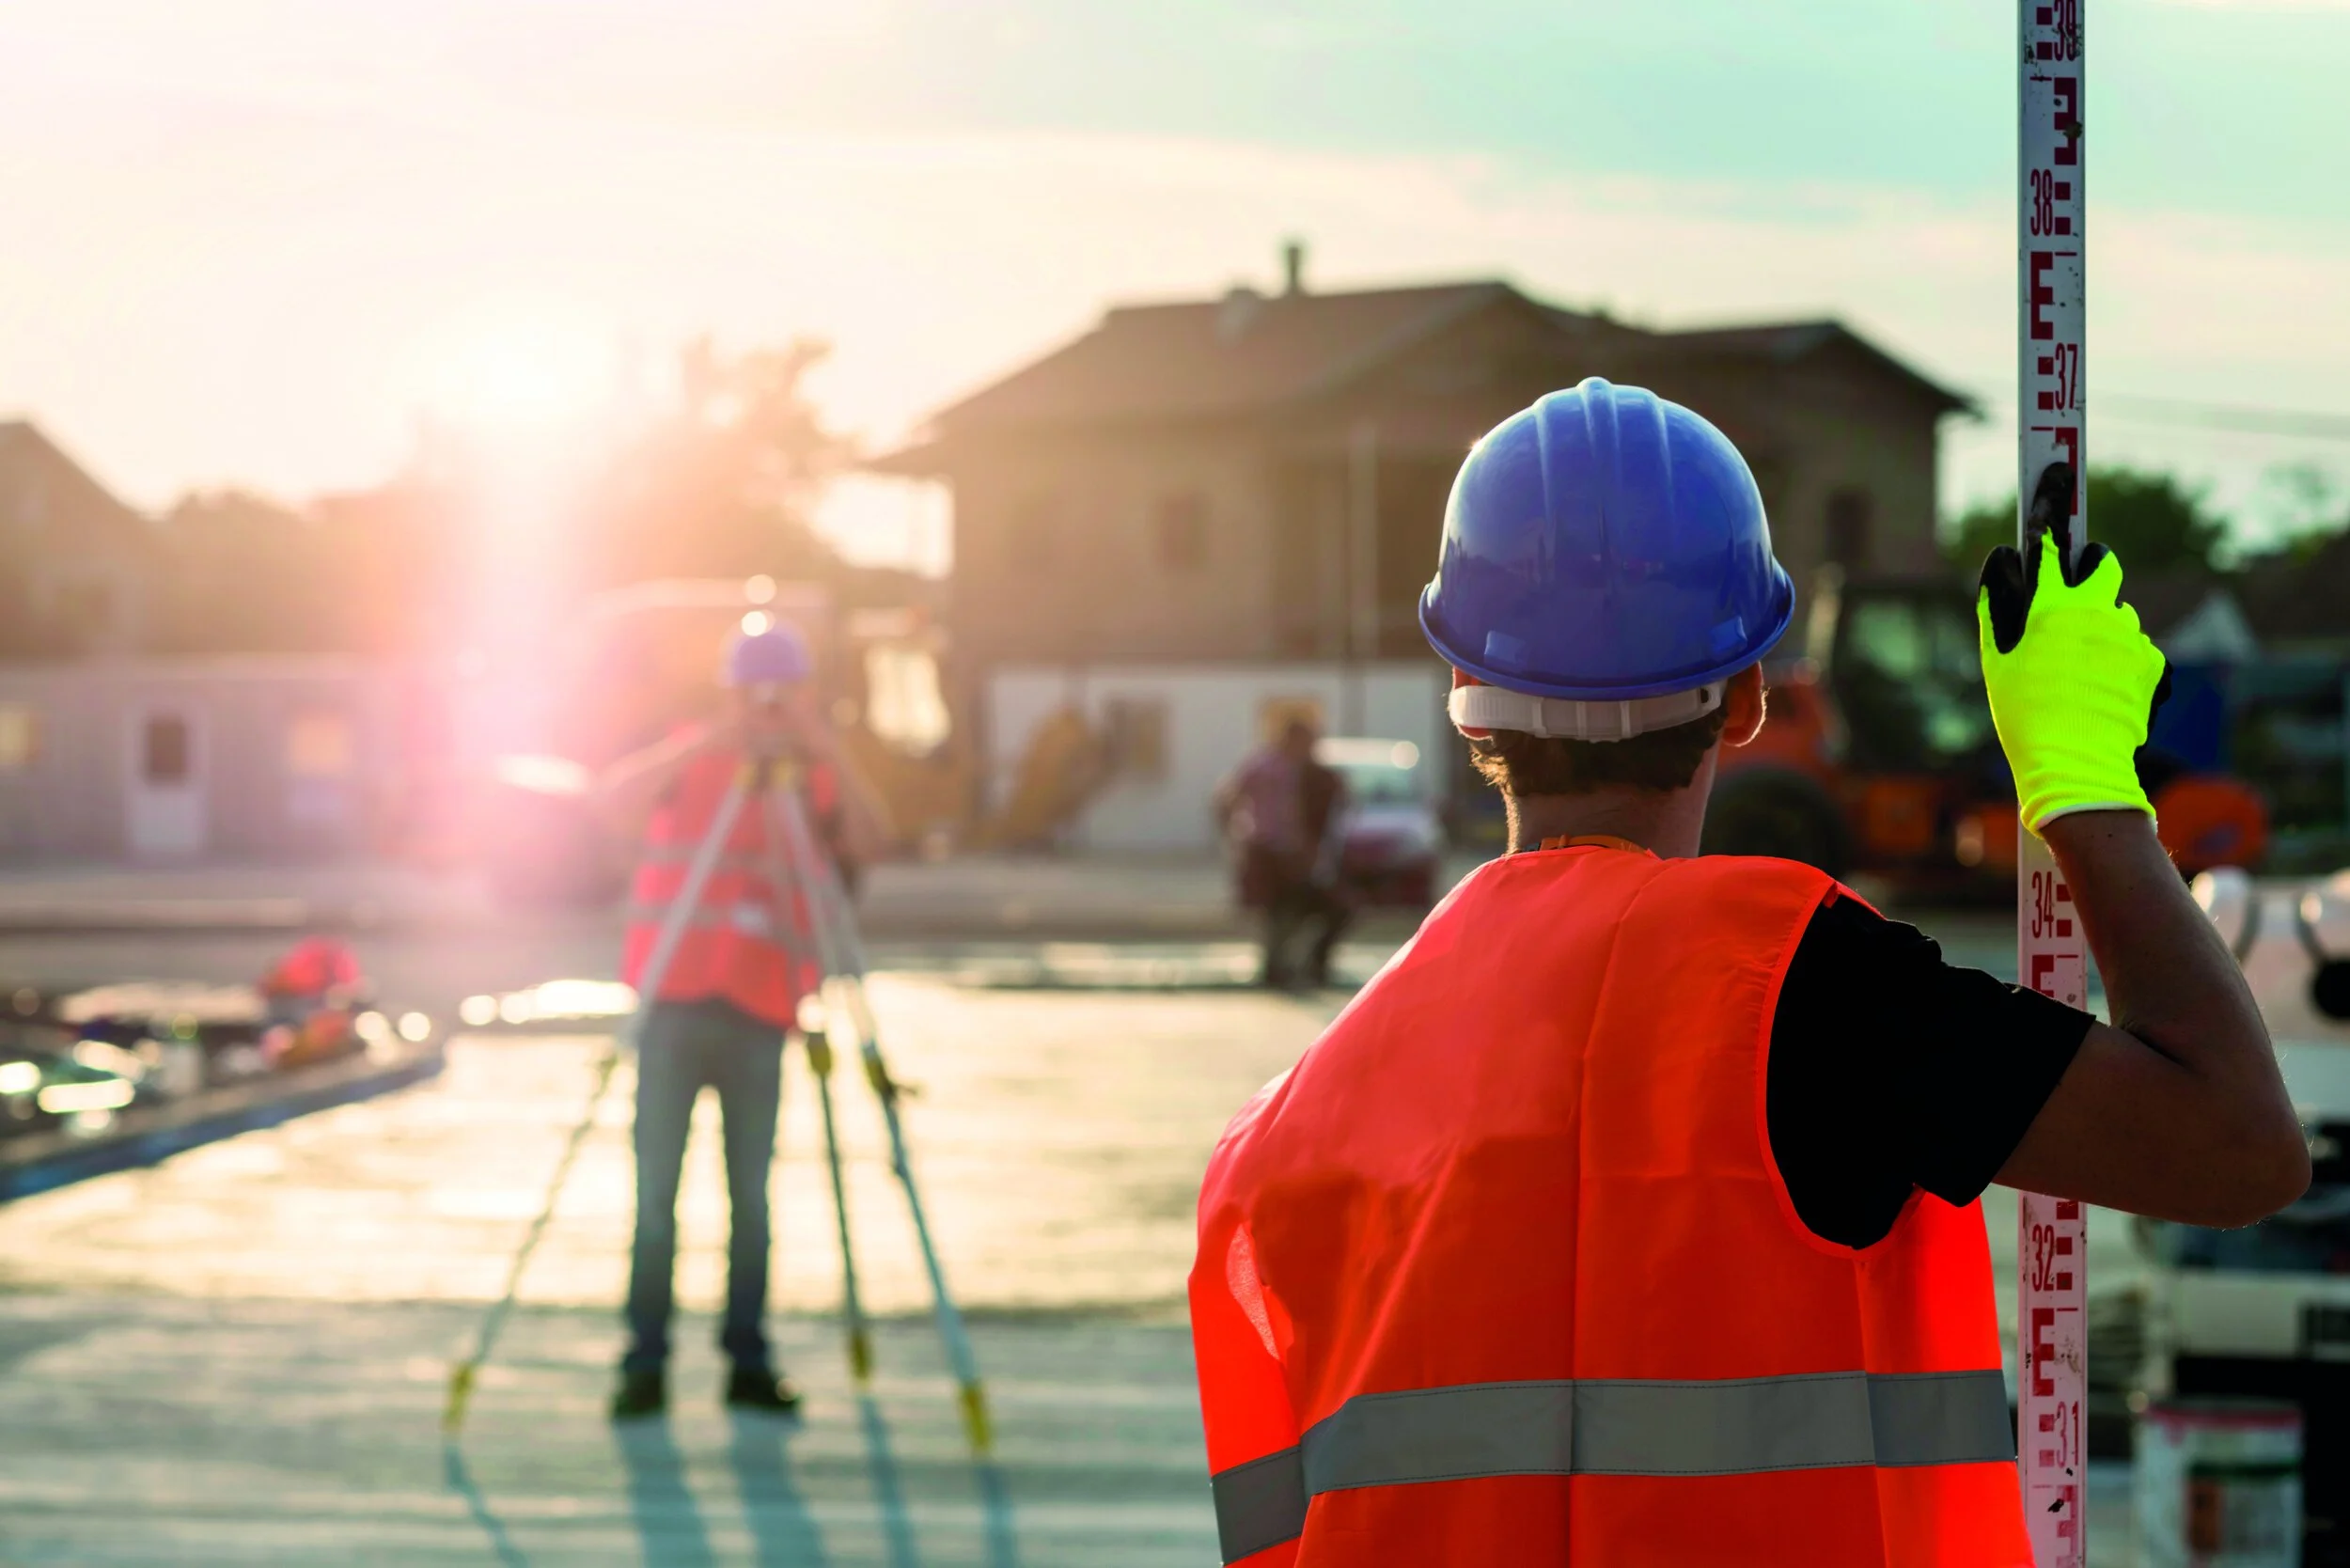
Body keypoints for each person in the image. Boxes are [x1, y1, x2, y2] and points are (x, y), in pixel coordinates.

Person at [1189, 379, 2309, 1565]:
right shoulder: (1802, 991)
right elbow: (2237, 1149)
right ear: (1746, 701)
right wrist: (2089, 788)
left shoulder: (1281, 1138)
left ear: (1466, 705)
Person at [597, 623, 889, 1420]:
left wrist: (824, 747)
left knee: (751, 1200)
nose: (765, 709)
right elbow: (611, 804)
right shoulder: (689, 759)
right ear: (726, 693)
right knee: (656, 1195)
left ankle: (747, 1358)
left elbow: (875, 839)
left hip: (760, 1009)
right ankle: (644, 1360)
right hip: (674, 1002)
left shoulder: (813, 780)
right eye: (753, 695)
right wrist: (715, 741)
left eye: (781, 694)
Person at [1215, 719, 1352, 989]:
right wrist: (1235, 836)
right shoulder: (1268, 766)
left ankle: (1289, 965)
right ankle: (1280, 967)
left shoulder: (1302, 771)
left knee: (1295, 909)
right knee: (1280, 910)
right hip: (1270, 851)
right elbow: (1229, 798)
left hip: (1289, 852)